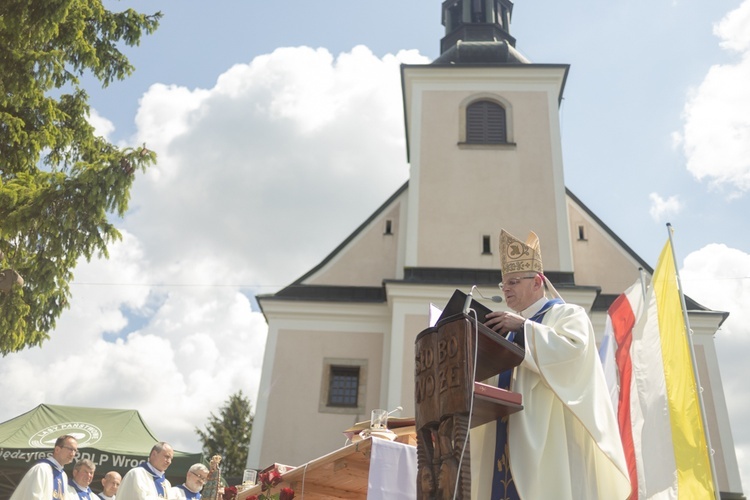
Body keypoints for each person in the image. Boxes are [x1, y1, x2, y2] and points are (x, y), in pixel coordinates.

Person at [481, 229, 631, 500]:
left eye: (513, 282)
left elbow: (573, 351)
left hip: (553, 439)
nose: (506, 290)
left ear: (537, 282)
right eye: (504, 285)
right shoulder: (504, 329)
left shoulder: (566, 313)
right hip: (507, 435)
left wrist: (525, 327)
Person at [10, 434, 78, 499]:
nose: (73, 454)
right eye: (70, 449)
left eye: (75, 450)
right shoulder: (41, 469)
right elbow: (32, 497)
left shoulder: (63, 475)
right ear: (57, 449)